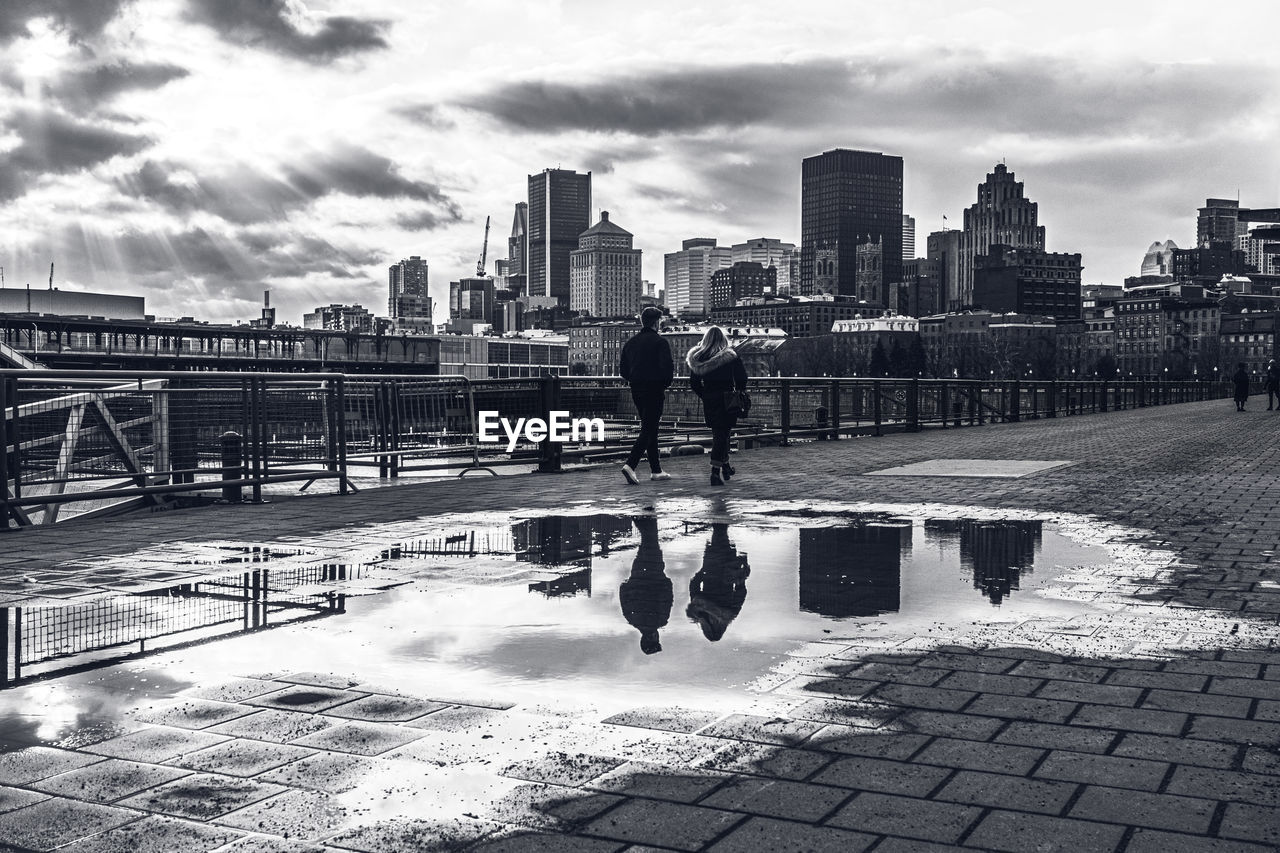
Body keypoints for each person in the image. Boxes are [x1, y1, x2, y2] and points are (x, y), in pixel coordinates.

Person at [618, 306, 674, 484]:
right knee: (649, 428)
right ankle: (630, 465)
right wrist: (663, 384)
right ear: (656, 322)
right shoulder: (660, 342)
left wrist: (634, 379)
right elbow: (667, 369)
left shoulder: (631, 343)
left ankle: (656, 470)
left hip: (636, 389)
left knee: (650, 427)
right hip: (654, 390)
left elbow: (623, 370)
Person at [687, 326, 748, 486]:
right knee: (721, 435)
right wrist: (739, 391)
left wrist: (705, 395)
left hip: (710, 400)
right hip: (727, 399)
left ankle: (726, 466)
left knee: (720, 433)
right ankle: (715, 471)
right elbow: (742, 378)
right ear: (723, 339)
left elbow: (694, 383)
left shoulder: (698, 357)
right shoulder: (730, 356)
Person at [686, 523, 750, 642]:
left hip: (726, 573)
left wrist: (739, 578)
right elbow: (694, 588)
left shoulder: (729, 614)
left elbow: (740, 594)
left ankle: (720, 522)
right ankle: (720, 521)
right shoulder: (700, 613)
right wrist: (702, 572)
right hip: (712, 571)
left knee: (722, 541)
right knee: (718, 539)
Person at [619, 516, 671, 655]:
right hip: (638, 575)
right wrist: (628, 585)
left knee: (651, 543)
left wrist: (666, 582)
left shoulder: (661, 619)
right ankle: (643, 518)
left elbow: (667, 599)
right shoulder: (632, 619)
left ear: (653, 638)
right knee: (646, 545)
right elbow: (623, 596)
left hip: (655, 575)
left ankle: (645, 517)